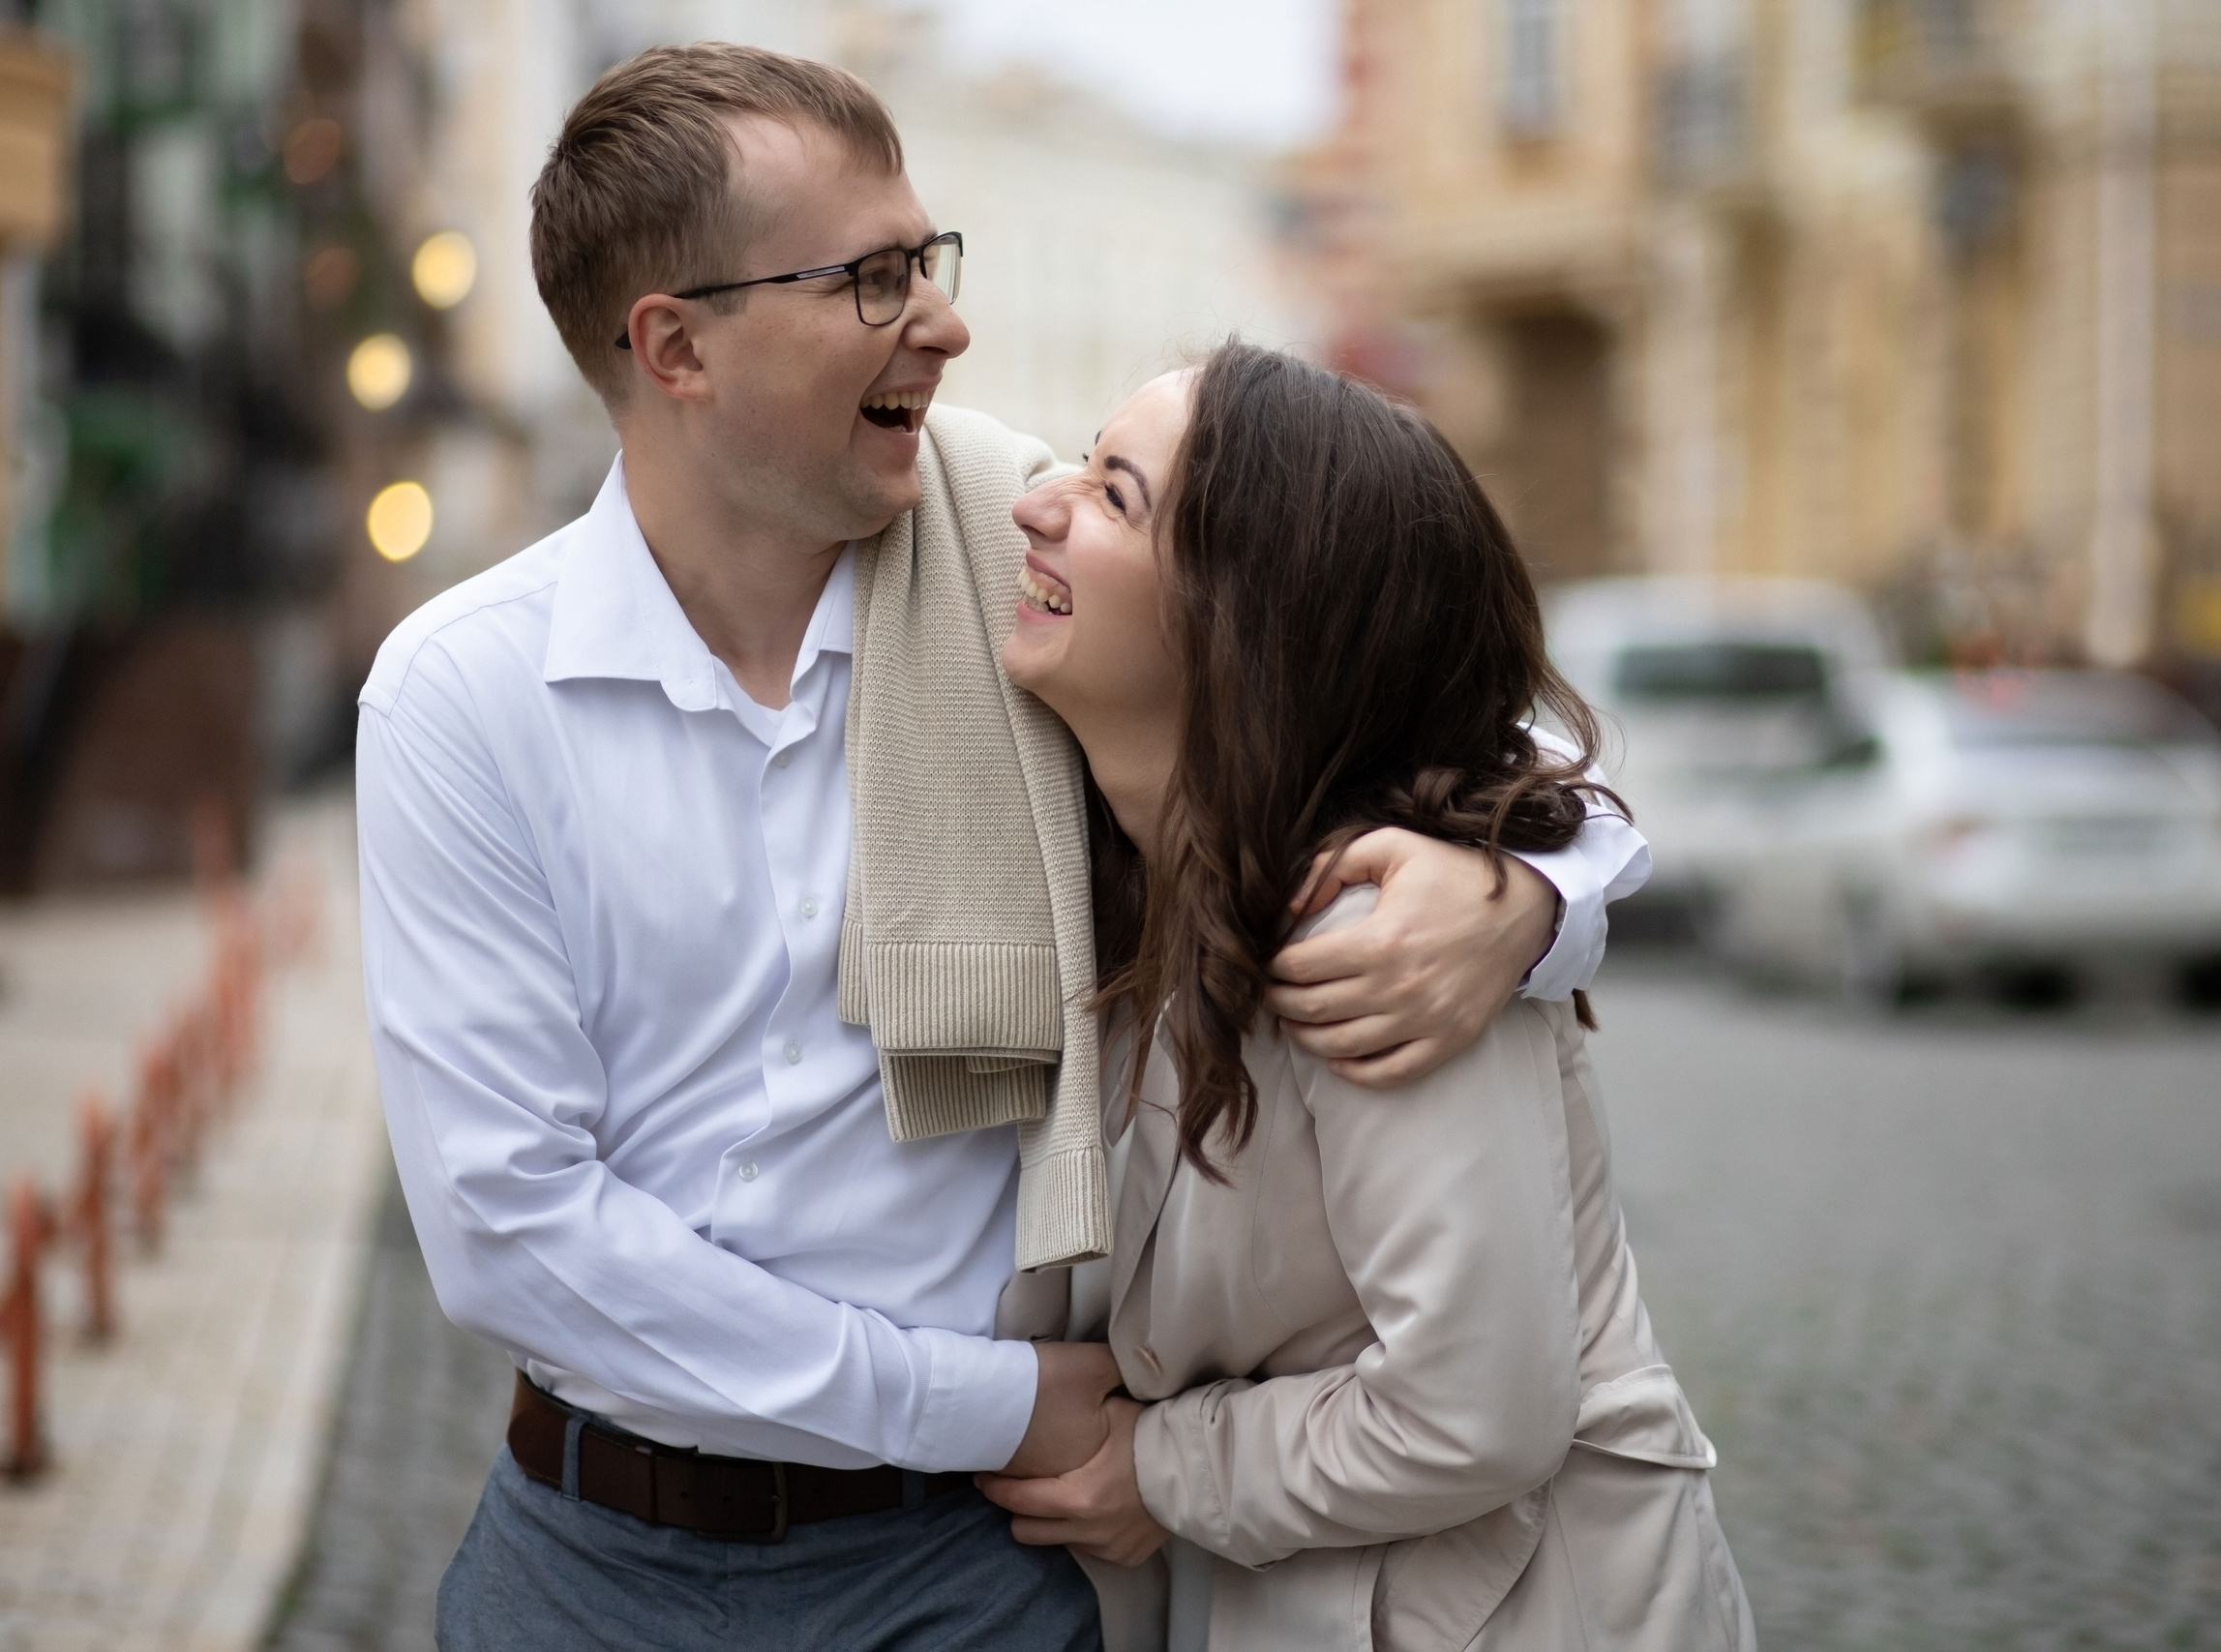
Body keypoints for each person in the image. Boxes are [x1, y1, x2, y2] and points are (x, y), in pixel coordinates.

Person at [352, 45, 1649, 1652]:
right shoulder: (464, 693)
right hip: (597, 1559)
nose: (944, 323)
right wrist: (984, 1403)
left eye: (930, 258)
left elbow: (1396, 703)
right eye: (872, 279)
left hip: (971, 1574)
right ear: (676, 346)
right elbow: (514, 1236)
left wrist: (1523, 895)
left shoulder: (1026, 555)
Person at [980, 345, 1755, 1651]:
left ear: (1245, 620)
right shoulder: (1130, 885)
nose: (1033, 503)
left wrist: (1157, 1470)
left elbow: (1472, 1411)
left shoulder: (1379, 941)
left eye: (1115, 494)